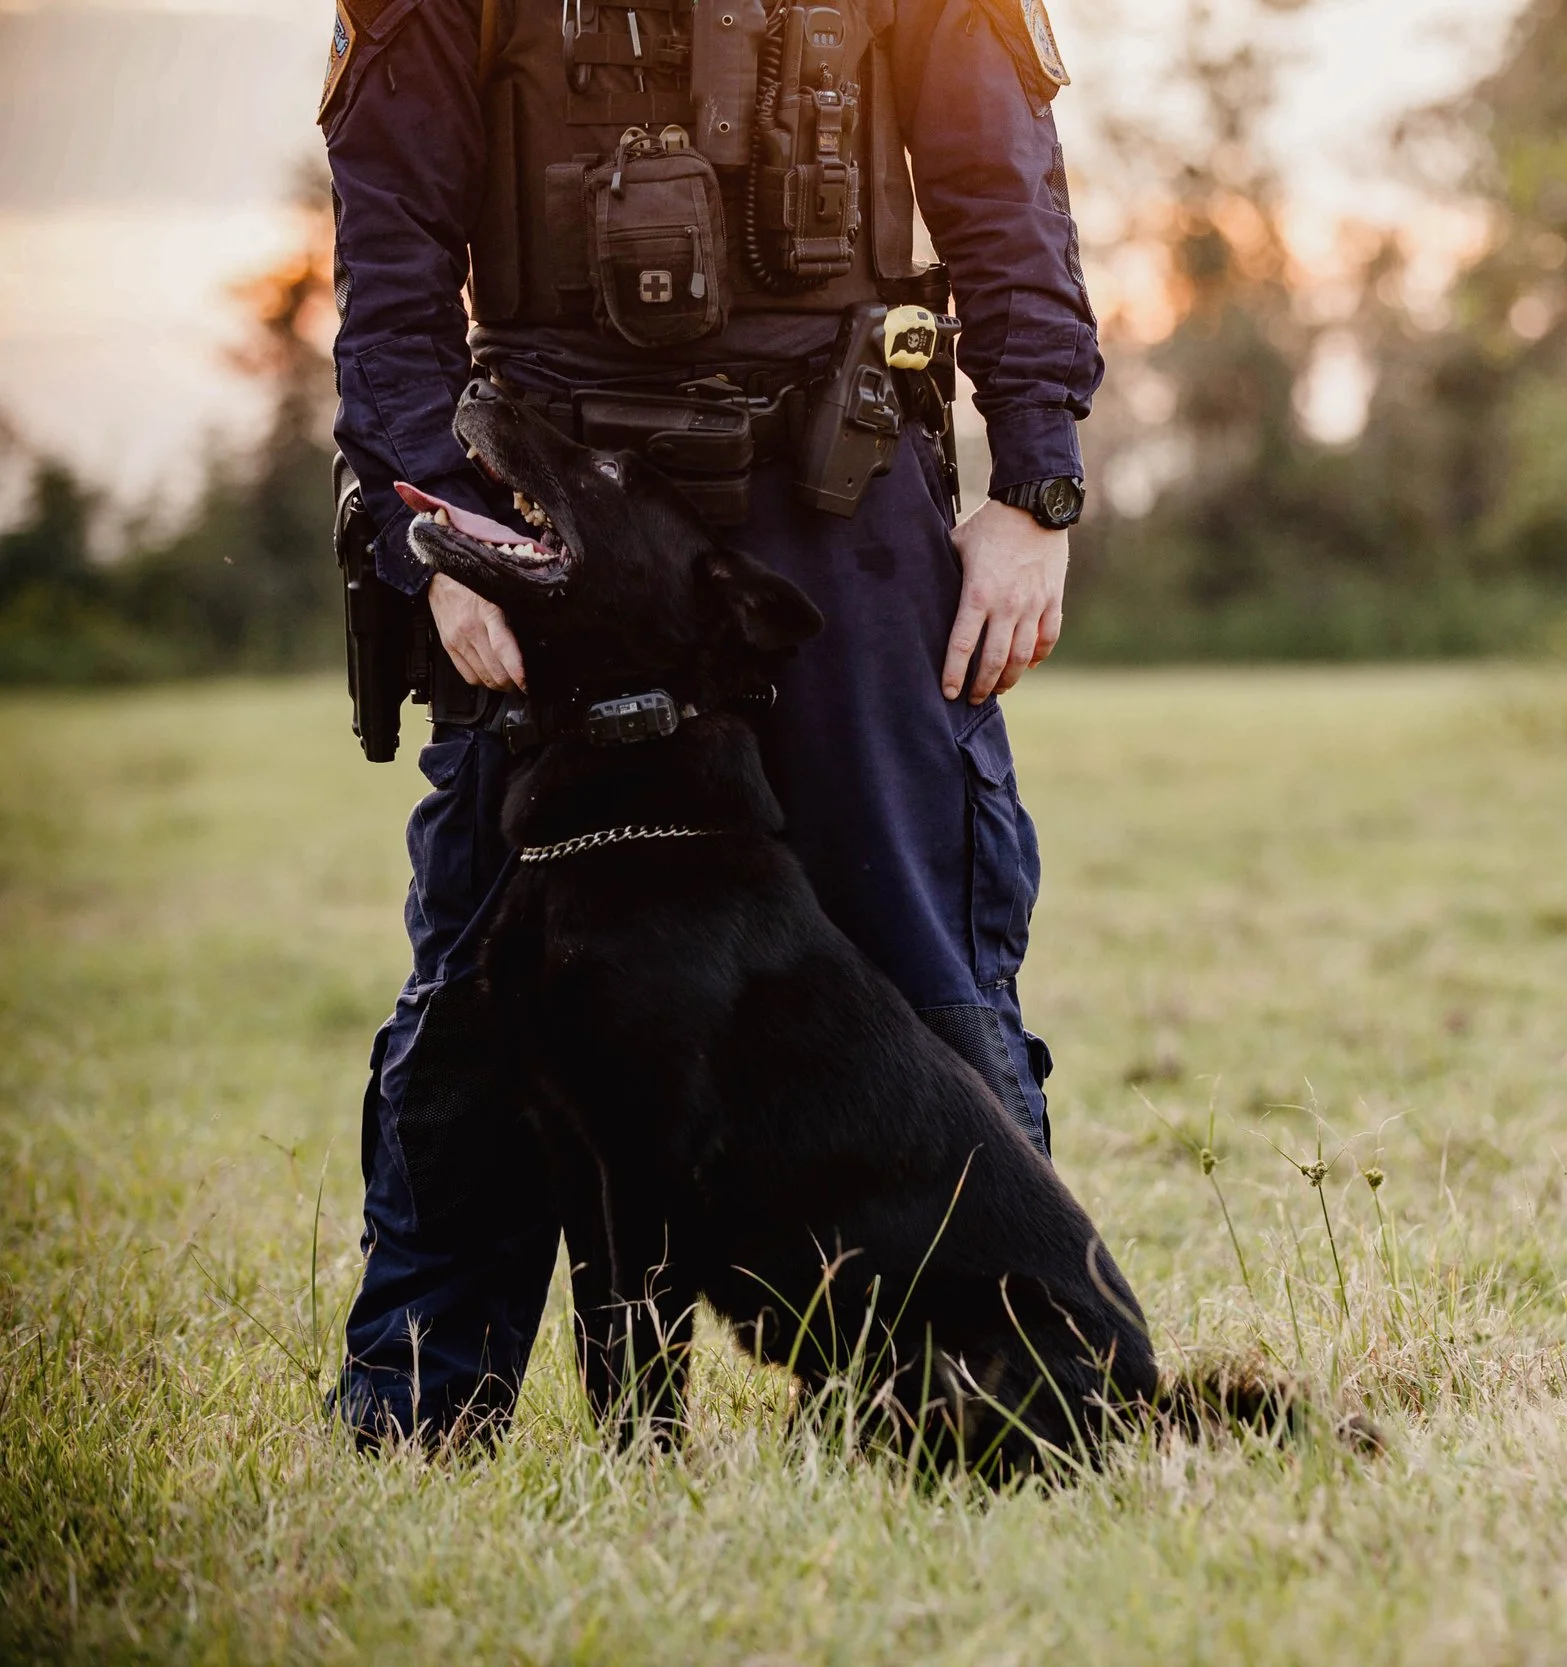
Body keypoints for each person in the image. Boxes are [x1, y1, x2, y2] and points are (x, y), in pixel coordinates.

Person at [319, 0, 1098, 1444]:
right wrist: (435, 537)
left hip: (840, 482)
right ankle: (417, 1409)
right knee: (492, 986)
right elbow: (393, 272)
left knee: (918, 949)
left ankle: (1015, 1386)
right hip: (548, 502)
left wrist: (1035, 482)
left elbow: (1005, 190)